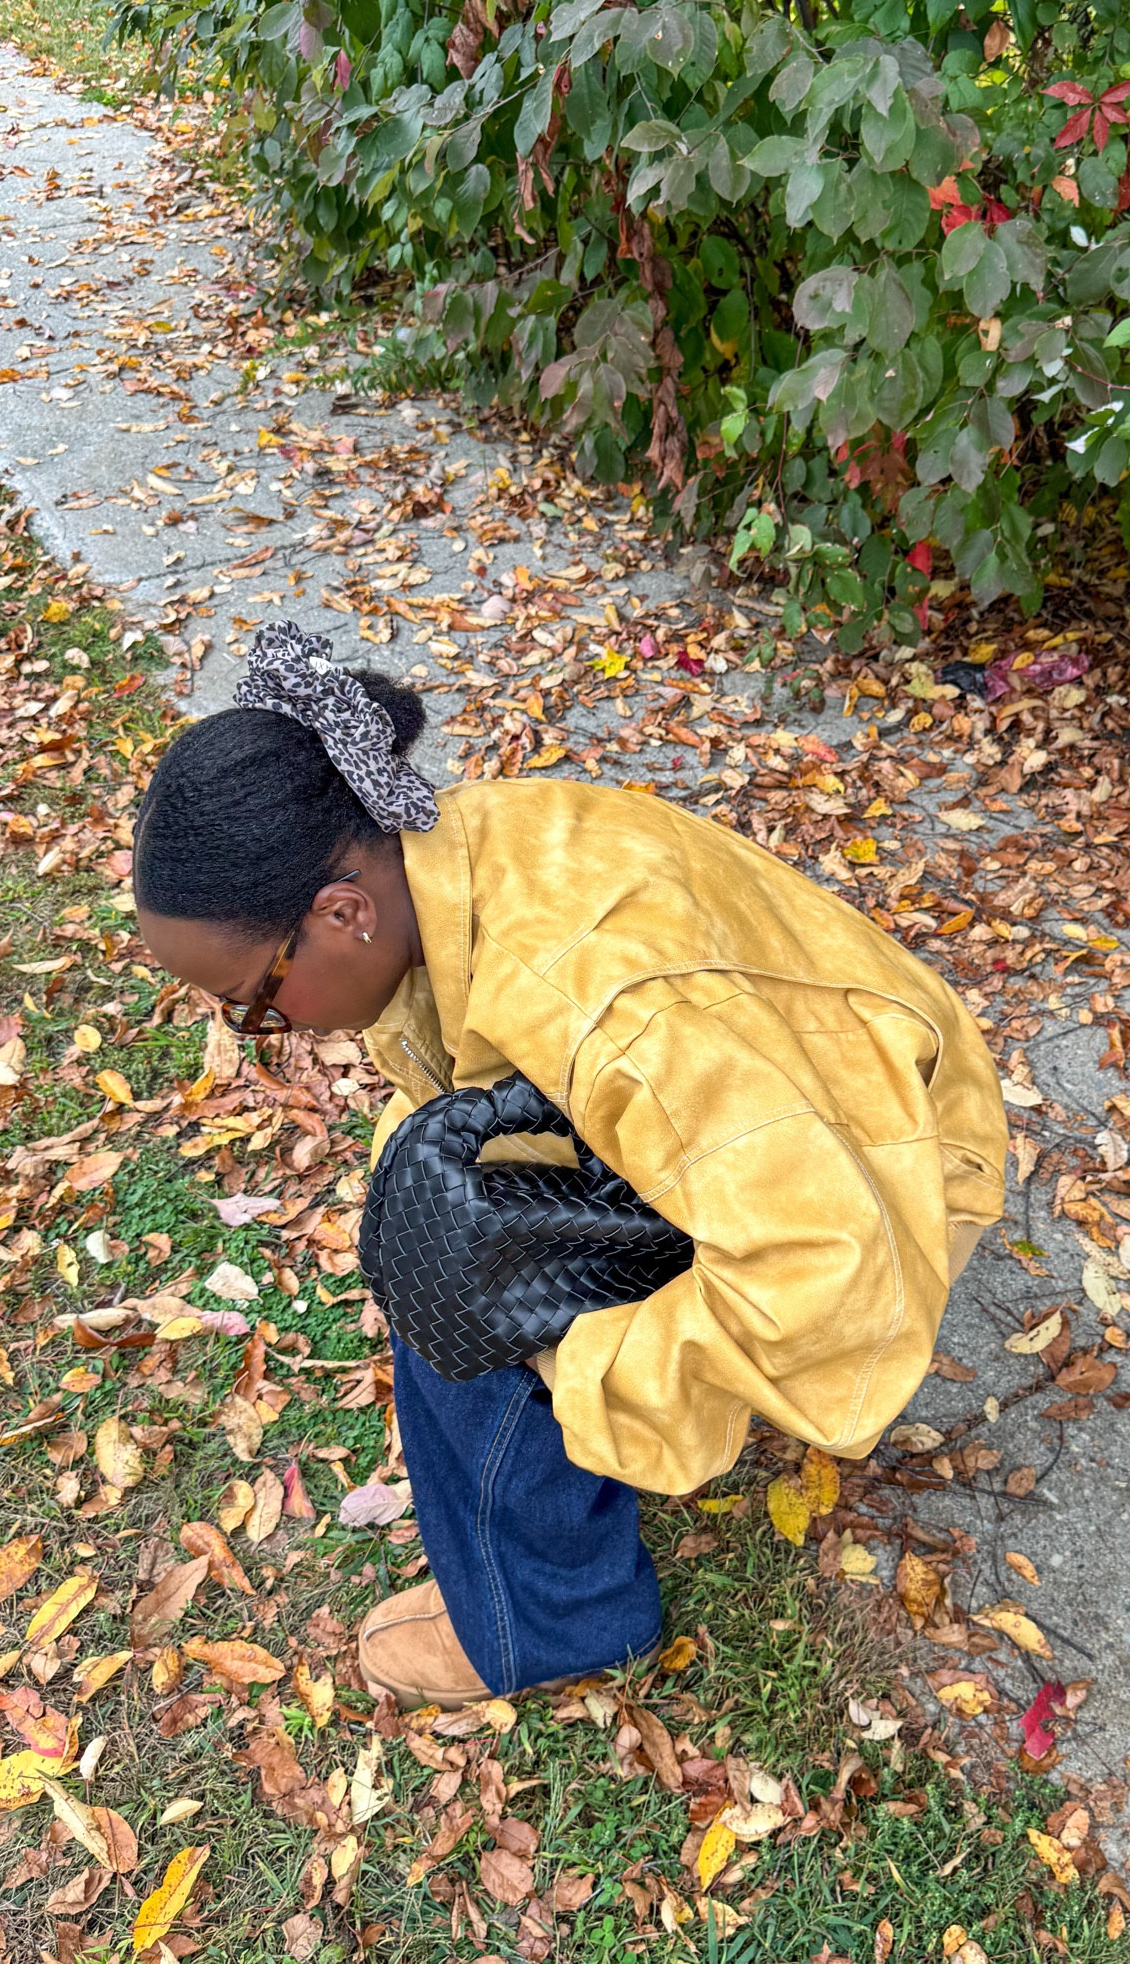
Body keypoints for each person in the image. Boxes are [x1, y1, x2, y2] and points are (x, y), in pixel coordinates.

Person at [134, 622, 1007, 1709]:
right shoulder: (455, 853)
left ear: (341, 913)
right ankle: (541, 1509)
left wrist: (582, 1363)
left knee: (464, 1301)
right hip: (800, 1099)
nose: (281, 1031)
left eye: (261, 1002)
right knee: (441, 1223)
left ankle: (543, 1623)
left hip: (883, 1161)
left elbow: (828, 1283)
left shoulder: (613, 1011)